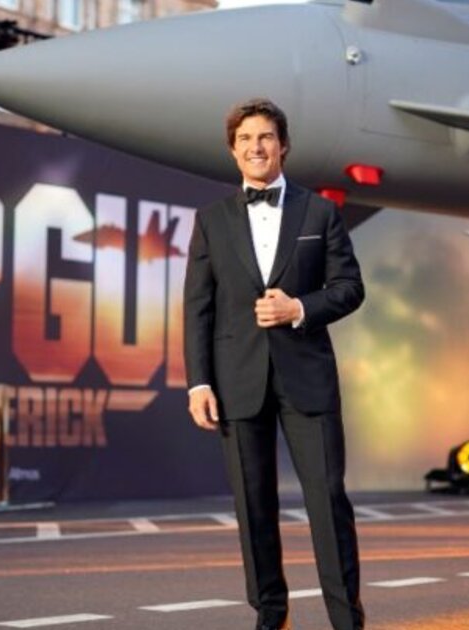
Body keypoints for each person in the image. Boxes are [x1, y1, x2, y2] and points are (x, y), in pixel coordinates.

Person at [184, 98, 366, 630]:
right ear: (232, 151)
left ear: (283, 145)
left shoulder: (319, 212)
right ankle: (270, 616)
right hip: (236, 380)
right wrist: (198, 383)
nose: (255, 147)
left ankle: (346, 620)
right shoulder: (211, 221)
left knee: (327, 501)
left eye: (265, 137)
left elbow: (350, 288)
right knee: (253, 506)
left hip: (307, 377)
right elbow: (197, 307)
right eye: (244, 139)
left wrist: (299, 309)